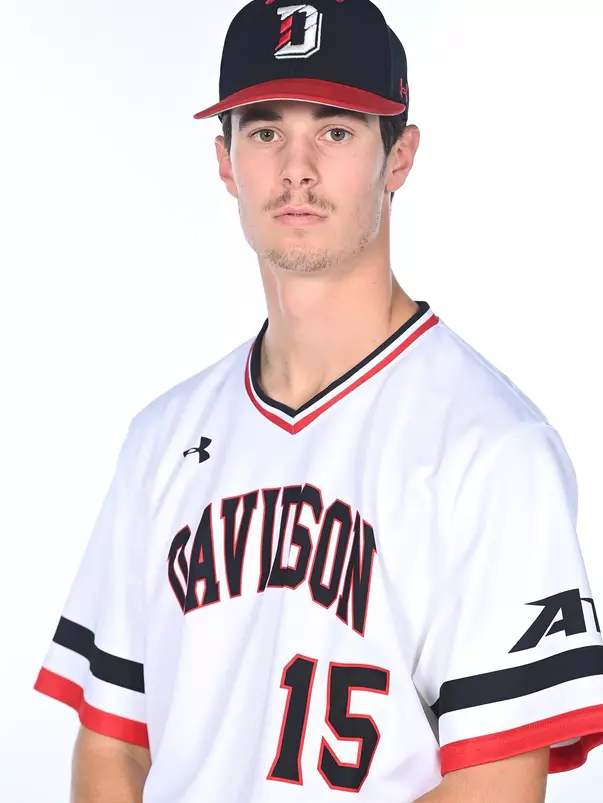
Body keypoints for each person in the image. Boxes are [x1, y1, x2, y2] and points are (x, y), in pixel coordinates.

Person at [34, 1, 603, 801]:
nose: (295, 168)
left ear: (398, 156)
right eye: (265, 131)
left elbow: (497, 781)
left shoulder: (491, 447)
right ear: (226, 161)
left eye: (335, 131)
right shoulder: (161, 437)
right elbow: (113, 746)